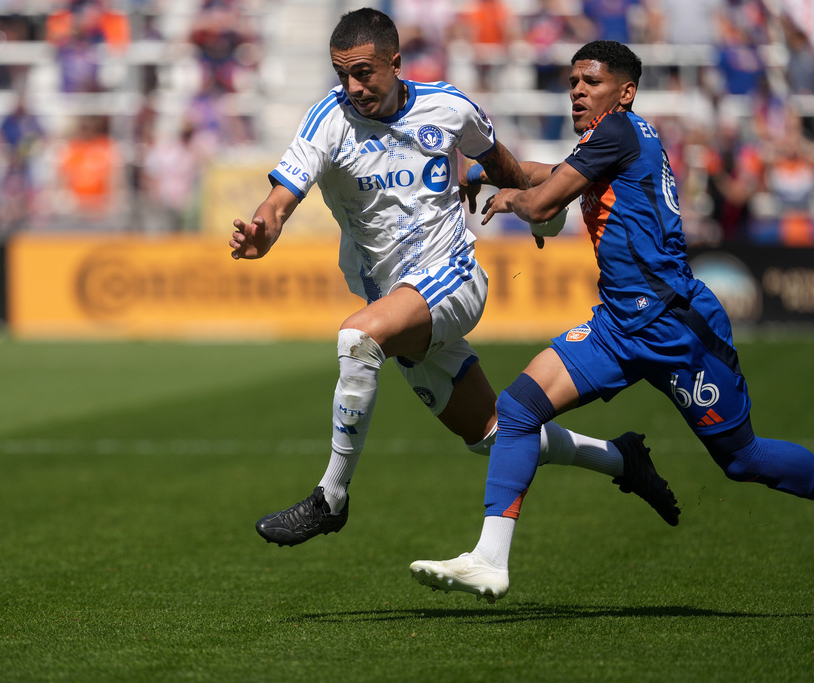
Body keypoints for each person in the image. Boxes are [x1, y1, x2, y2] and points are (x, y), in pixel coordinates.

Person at [229, 11, 680, 553]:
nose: (353, 86)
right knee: (491, 434)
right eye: (343, 74)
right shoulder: (329, 120)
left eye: (365, 72)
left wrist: (542, 215)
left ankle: (331, 498)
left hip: (454, 277)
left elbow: (501, 163)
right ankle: (621, 458)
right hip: (396, 299)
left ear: (395, 64)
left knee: (357, 338)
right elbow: (280, 198)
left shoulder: (450, 107)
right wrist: (264, 228)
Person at [409, 40, 814, 603]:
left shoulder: (619, 132)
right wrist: (487, 171)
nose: (577, 90)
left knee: (743, 460)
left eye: (591, 82)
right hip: (620, 325)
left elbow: (545, 202)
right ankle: (489, 559)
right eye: (573, 81)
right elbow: (550, 174)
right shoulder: (611, 140)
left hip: (674, 327)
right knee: (520, 408)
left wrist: (512, 200)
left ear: (624, 92)